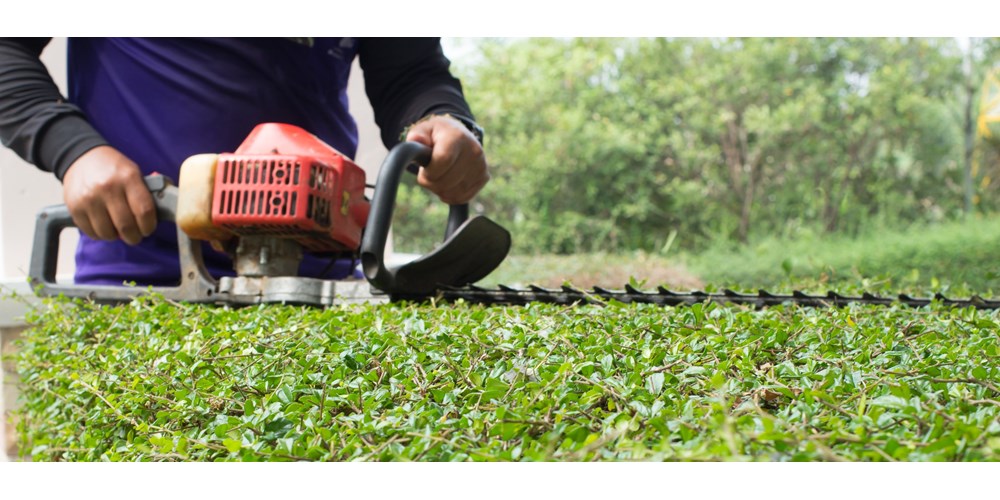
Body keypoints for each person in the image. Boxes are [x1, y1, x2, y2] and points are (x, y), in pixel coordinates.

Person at [0, 37, 489, 286]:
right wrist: (73, 149)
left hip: (319, 276)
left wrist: (440, 119)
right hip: (146, 272)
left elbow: (411, 71)